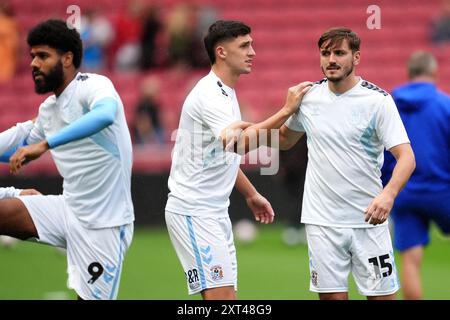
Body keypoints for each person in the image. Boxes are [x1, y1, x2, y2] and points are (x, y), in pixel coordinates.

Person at [233, 27, 415, 300]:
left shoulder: (378, 101)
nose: (331, 59)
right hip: (322, 222)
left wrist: (388, 195)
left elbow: (407, 157)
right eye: (325, 53)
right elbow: (284, 140)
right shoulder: (308, 98)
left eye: (339, 53)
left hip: (368, 220)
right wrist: (251, 127)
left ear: (356, 58)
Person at [165, 20, 310, 300]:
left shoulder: (225, 92)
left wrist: (251, 193)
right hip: (194, 211)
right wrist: (285, 110)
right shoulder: (210, 94)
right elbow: (239, 143)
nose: (252, 52)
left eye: (251, 44)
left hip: (213, 212)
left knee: (227, 298)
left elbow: (222, 155)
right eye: (244, 45)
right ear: (221, 52)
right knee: (221, 300)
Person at [0, 19, 134, 300]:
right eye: (32, 56)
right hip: (67, 210)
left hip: (104, 225)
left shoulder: (93, 86)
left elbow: (105, 114)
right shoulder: (49, 109)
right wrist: (36, 142)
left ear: (68, 58)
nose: (34, 63)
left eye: (43, 56)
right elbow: (14, 145)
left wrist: (46, 144)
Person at [381, 51, 450, 300]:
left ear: (409, 74)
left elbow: (381, 153)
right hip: (444, 191)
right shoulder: (446, 105)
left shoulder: (389, 105)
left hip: (404, 190)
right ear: (434, 73)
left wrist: (386, 187)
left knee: (410, 261)